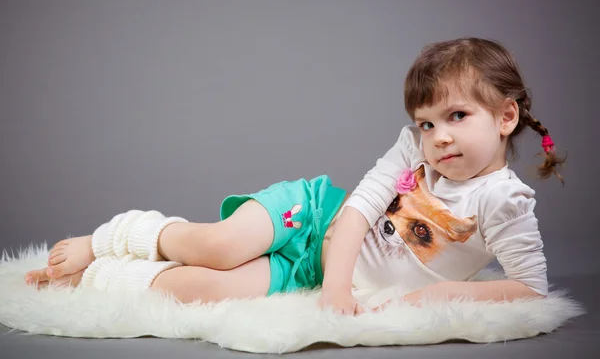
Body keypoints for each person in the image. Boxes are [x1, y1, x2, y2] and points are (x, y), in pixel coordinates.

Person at [24, 37, 565, 316]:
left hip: (313, 274)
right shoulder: (412, 150)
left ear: (506, 116)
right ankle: (113, 238)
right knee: (220, 245)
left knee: (210, 291)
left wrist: (436, 297)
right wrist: (335, 289)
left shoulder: (503, 200)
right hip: (312, 214)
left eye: (457, 117)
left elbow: (530, 288)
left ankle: (98, 278)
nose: (438, 136)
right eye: (427, 122)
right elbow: (358, 209)